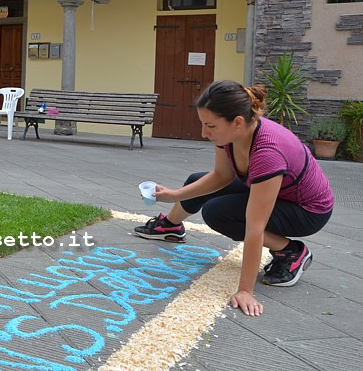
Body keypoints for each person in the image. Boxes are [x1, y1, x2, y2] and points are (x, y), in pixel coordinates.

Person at [134, 80, 334, 317]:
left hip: (307, 211)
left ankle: (291, 251)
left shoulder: (267, 152)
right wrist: (174, 194)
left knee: (217, 212)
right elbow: (221, 176)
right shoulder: (229, 134)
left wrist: (245, 291)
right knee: (196, 179)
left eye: (210, 126)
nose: (203, 133)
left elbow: (255, 226)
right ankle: (170, 226)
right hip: (278, 191)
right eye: (202, 124)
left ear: (237, 122)